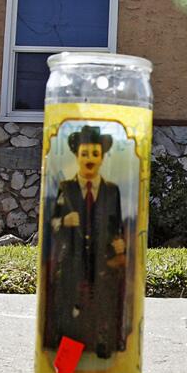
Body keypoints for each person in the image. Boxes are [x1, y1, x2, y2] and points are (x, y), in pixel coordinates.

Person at [43, 125, 128, 359]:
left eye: (94, 154)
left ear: (101, 157)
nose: (89, 159)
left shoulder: (112, 191)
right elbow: (53, 224)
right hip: (72, 258)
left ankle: (103, 347)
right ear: (77, 156)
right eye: (84, 154)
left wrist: (119, 243)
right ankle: (68, 359)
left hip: (102, 259)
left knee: (104, 303)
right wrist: (64, 222)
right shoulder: (66, 188)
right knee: (69, 305)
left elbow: (116, 225)